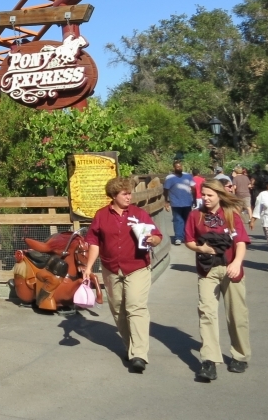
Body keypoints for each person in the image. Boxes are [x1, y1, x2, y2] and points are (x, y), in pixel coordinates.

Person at [83, 177, 163, 373]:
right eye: (124, 194)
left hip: (137, 266)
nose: (129, 196)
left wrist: (152, 239)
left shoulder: (138, 213)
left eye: (130, 193)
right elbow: (94, 242)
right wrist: (88, 267)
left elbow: (157, 236)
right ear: (113, 195)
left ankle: (139, 354)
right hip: (111, 268)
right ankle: (130, 348)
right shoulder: (101, 215)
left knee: (135, 306)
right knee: (118, 308)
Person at [184, 179, 251, 381]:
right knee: (207, 312)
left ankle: (240, 355)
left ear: (219, 195)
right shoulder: (196, 215)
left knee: (237, 314)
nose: (205, 198)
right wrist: (199, 248)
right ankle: (209, 360)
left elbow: (240, 242)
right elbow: (189, 240)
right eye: (203, 194)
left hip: (231, 269)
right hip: (207, 270)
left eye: (209, 195)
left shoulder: (231, 214)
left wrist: (237, 263)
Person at [163, 158, 195, 245]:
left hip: (187, 202)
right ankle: (178, 237)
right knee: (178, 220)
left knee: (187, 220)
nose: (179, 168)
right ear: (174, 168)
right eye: (177, 167)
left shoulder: (188, 176)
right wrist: (166, 201)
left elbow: (193, 188)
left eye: (180, 166)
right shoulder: (170, 178)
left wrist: (194, 199)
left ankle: (187, 236)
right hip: (176, 203)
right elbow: (166, 190)